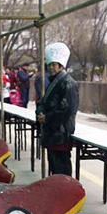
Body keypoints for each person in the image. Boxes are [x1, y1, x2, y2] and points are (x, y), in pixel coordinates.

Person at [36, 42, 79, 176]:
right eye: (49, 65)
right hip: (52, 132)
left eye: (54, 65)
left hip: (61, 133)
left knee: (61, 167)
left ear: (61, 66)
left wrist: (47, 117)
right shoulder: (54, 82)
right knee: (54, 166)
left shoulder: (68, 83)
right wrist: (40, 113)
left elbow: (67, 109)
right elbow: (43, 102)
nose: (51, 68)